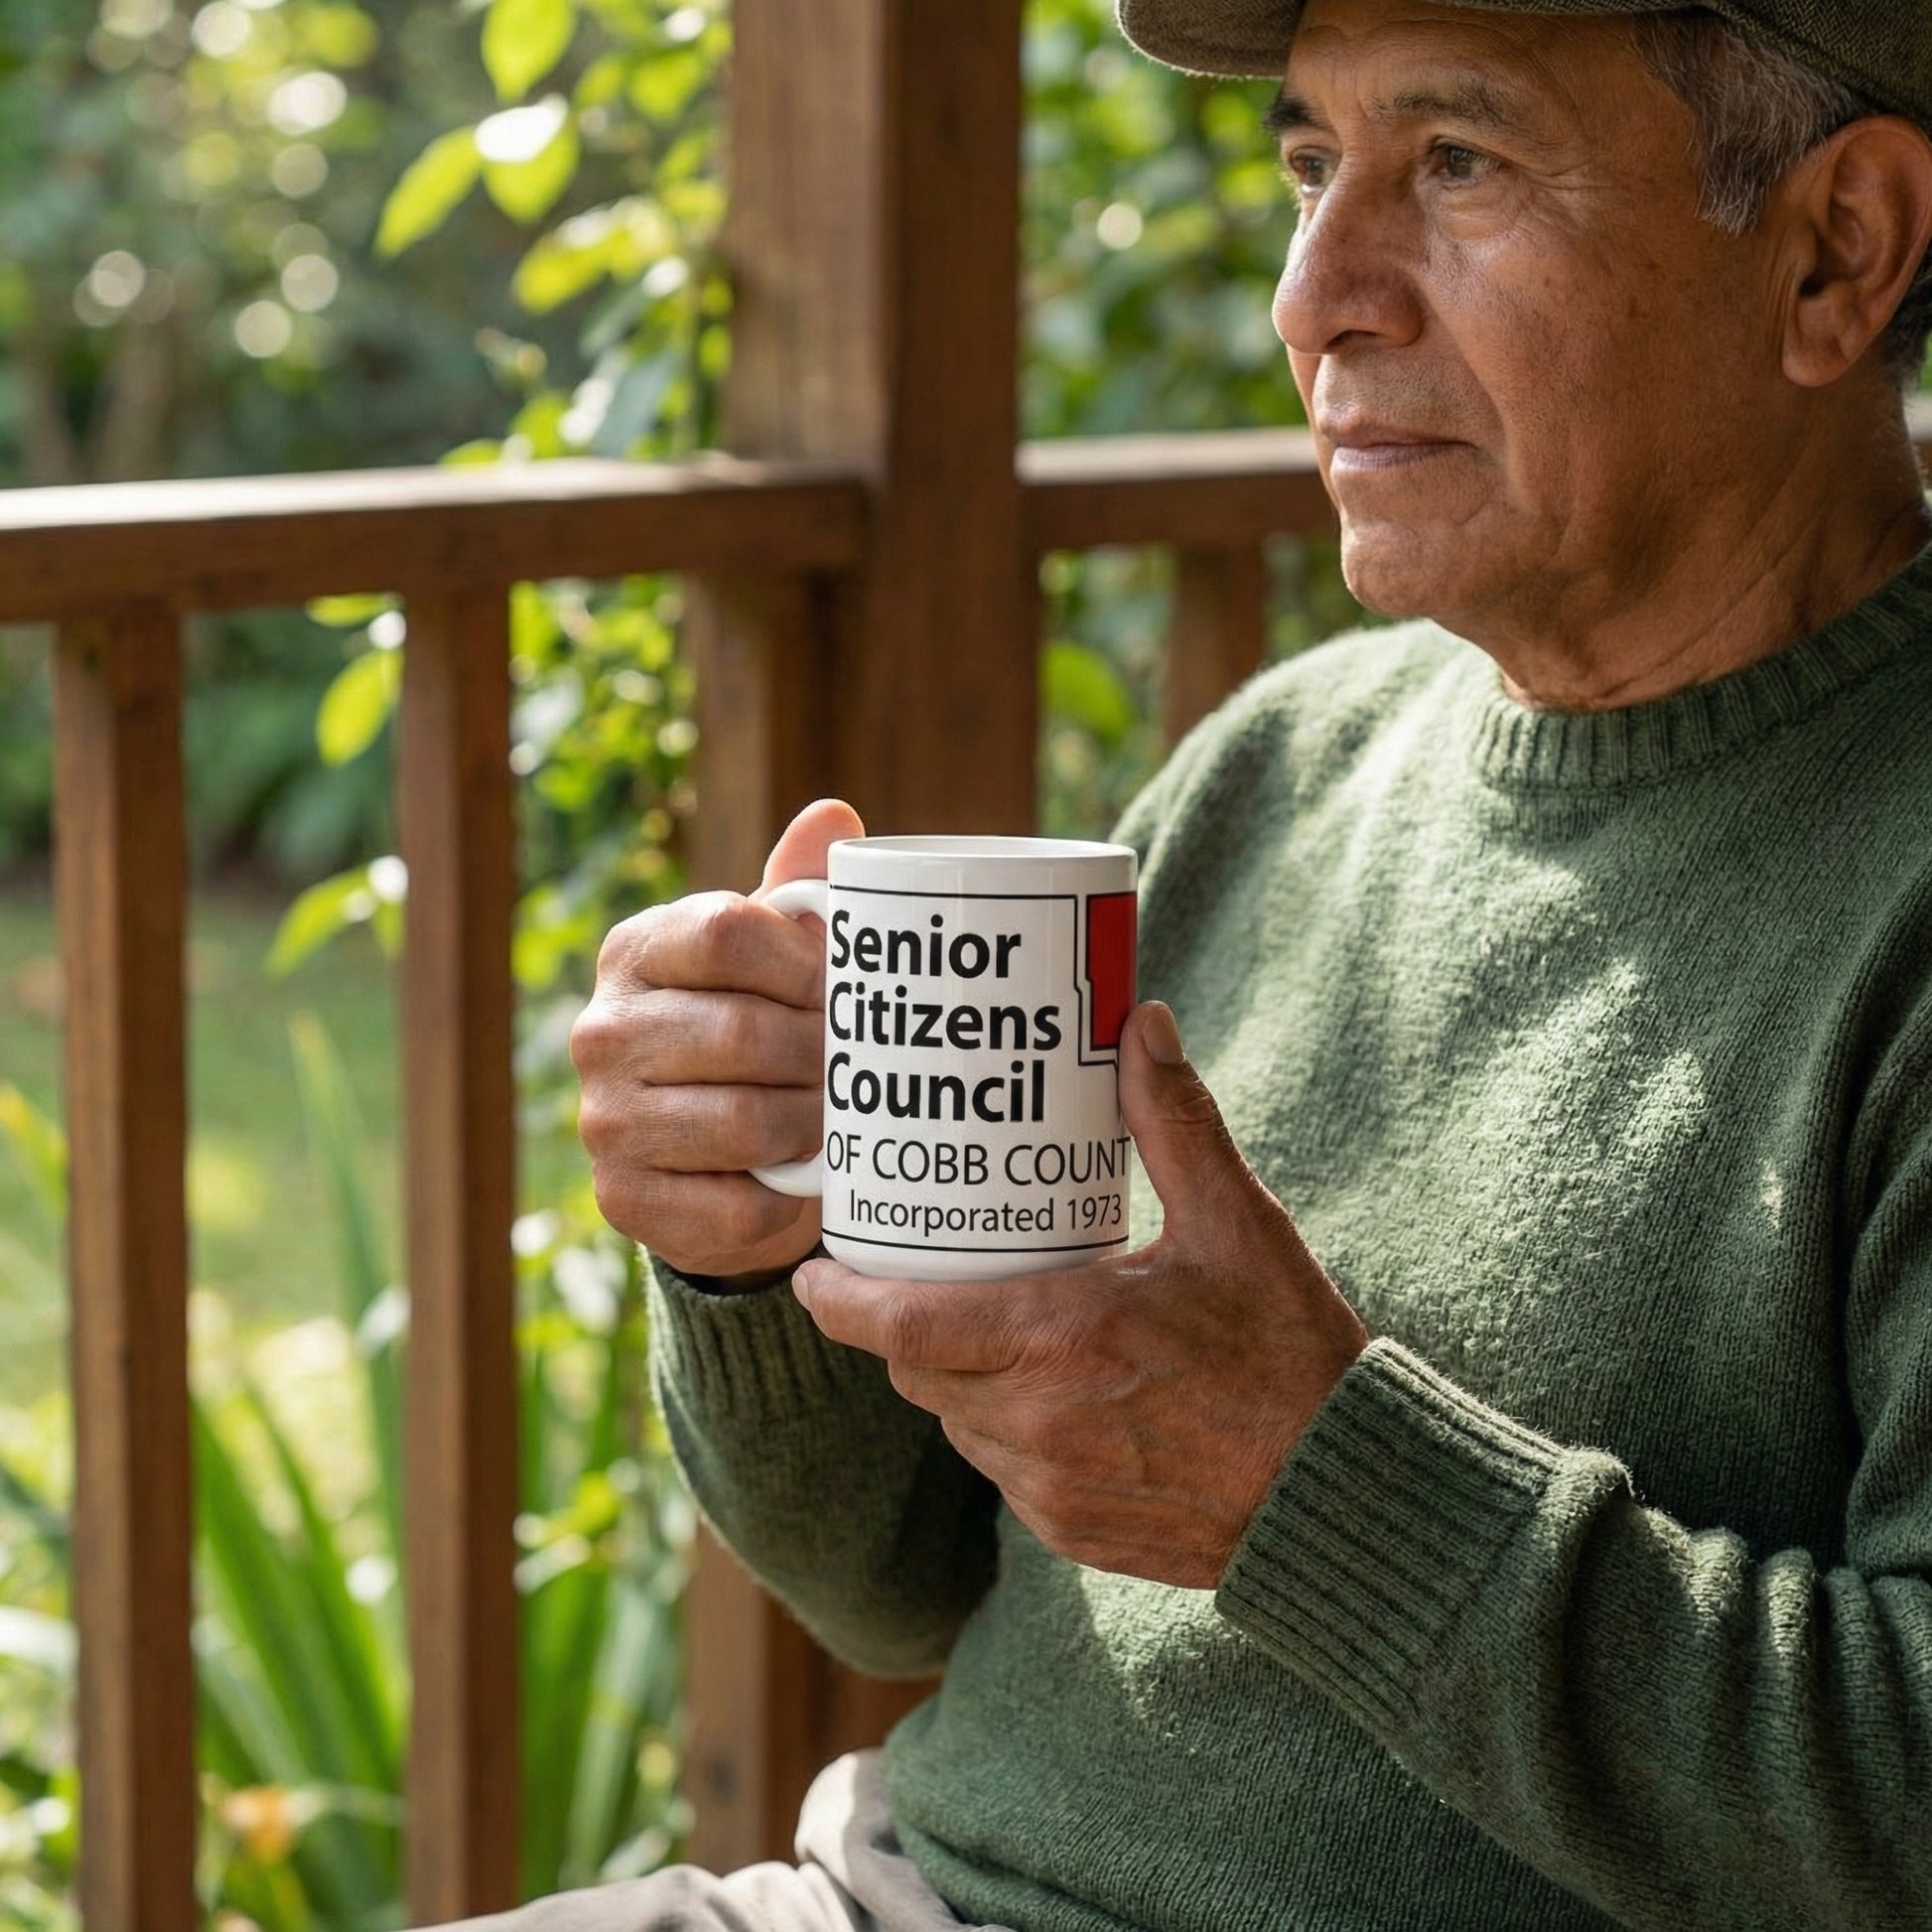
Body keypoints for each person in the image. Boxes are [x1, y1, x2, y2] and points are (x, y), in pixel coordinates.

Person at [454, 2, 1932, 1926]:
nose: (1313, 298)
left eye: (1455, 162)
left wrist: (1316, 1491)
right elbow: (901, 1578)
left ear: (1835, 248)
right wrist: (750, 1244)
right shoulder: (1284, 762)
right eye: (1312, 165)